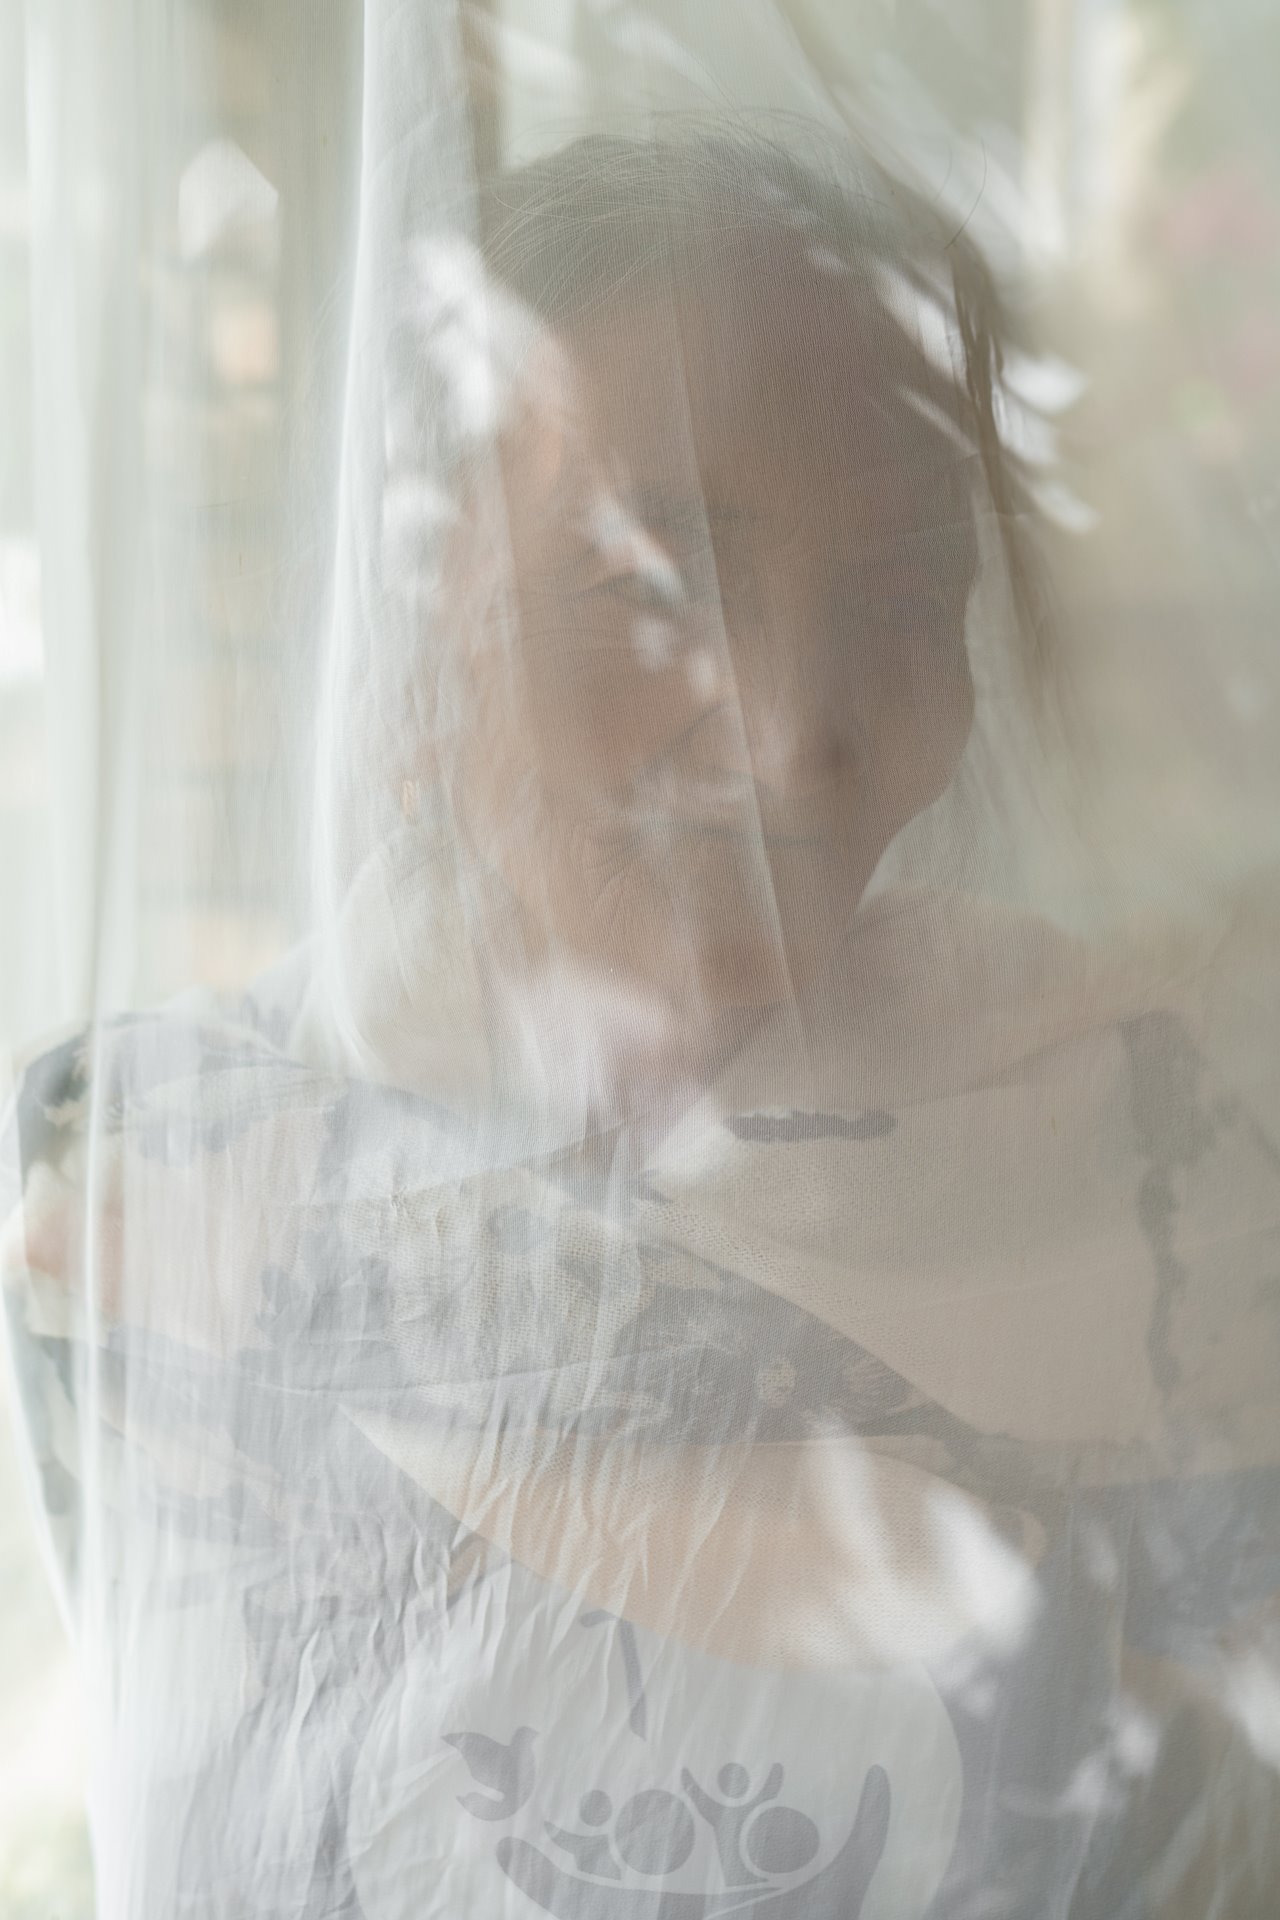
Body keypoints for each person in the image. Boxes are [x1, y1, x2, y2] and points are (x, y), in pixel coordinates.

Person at [4, 131, 1280, 1919]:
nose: (791, 727)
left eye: (907, 600)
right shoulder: (149, 1162)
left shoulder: (1131, 1155)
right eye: (652, 585)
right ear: (421, 628)